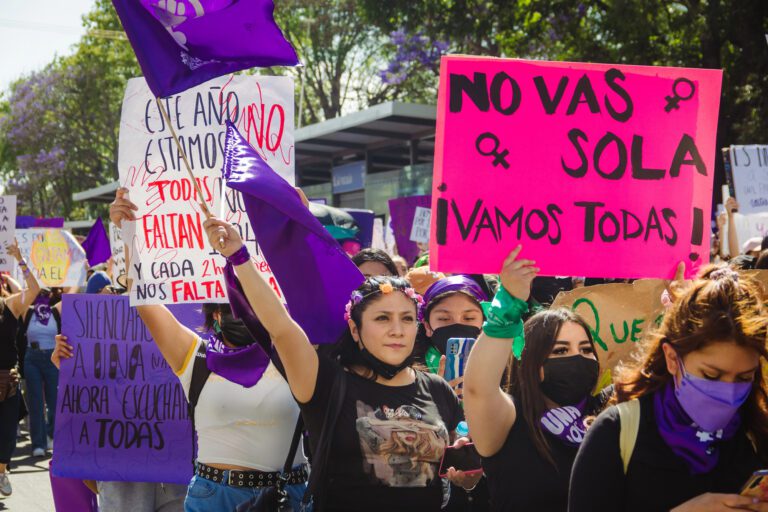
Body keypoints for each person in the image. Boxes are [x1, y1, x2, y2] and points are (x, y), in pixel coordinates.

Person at [58, 188, 310, 512]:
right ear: (215, 315)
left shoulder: (297, 354)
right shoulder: (198, 359)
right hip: (213, 500)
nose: (245, 314)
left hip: (286, 498)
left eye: (254, 303)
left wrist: (301, 229)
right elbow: (145, 298)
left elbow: (314, 295)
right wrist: (127, 231)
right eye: (234, 305)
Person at [203, 215, 477, 511]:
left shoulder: (438, 390)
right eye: (382, 318)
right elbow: (281, 327)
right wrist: (240, 257)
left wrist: (466, 474)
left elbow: (458, 467)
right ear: (356, 330)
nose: (397, 329)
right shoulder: (326, 382)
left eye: (407, 318)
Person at [569, 265, 768, 512]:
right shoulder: (617, 433)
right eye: (711, 375)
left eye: (743, 378)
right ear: (673, 359)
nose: (728, 393)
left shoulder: (756, 433)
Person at [463, 246, 608, 512]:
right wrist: (509, 301)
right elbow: (477, 390)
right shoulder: (509, 421)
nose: (578, 359)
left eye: (586, 350)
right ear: (531, 363)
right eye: (561, 351)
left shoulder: (609, 412)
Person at [0, 239, 40, 496]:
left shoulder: (11, 306)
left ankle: (2, 472)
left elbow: (34, 288)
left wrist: (20, 259)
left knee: (7, 437)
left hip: (8, 383)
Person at [23, 284, 61, 457]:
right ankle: (38, 443)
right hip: (33, 358)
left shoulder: (55, 312)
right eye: (39, 293)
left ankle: (51, 435)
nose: (42, 296)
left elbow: (72, 293)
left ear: (52, 294)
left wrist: (79, 268)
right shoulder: (28, 311)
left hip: (53, 359)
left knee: (55, 402)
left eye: (45, 293)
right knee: (36, 402)